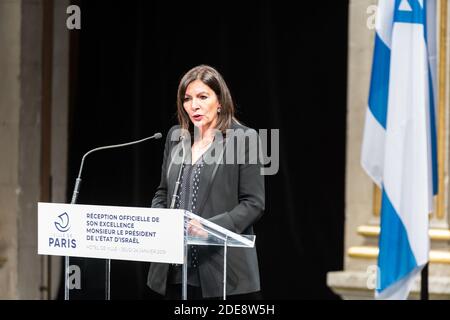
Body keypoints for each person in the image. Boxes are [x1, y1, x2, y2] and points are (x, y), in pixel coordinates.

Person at [147, 65, 265, 299]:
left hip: (222, 271)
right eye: (187, 99)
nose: (194, 105)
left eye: (202, 97)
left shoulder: (243, 139)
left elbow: (254, 203)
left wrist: (209, 229)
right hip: (172, 270)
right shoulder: (176, 138)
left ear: (219, 101)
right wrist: (161, 220)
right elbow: (162, 193)